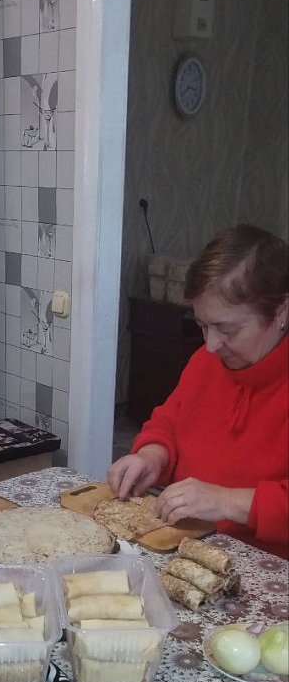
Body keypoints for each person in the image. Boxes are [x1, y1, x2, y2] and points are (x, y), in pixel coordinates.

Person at [108, 225, 288, 559]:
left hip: (266, 565)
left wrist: (226, 501)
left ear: (280, 312)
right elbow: (169, 422)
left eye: (226, 329)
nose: (211, 345)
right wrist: (152, 455)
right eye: (203, 325)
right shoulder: (207, 362)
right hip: (187, 540)